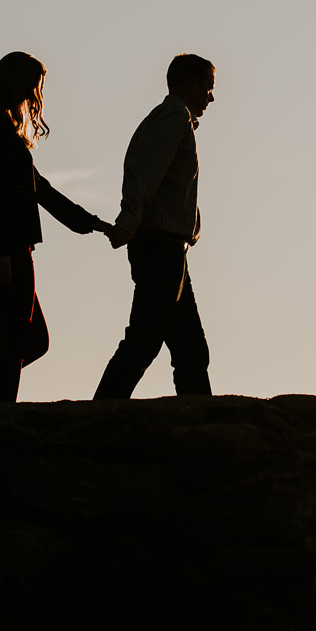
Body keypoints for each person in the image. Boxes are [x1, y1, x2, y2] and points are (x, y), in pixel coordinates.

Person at [0, 51, 111, 405]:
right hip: (5, 248)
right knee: (19, 342)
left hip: (12, 247)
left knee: (30, 342)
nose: (37, 91)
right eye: (35, 83)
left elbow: (40, 189)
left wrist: (91, 224)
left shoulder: (3, 130)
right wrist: (0, 251)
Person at [92, 53, 216, 400]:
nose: (210, 97)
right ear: (191, 83)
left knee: (190, 348)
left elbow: (164, 184)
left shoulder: (172, 120)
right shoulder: (173, 119)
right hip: (160, 248)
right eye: (208, 87)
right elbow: (145, 178)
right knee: (145, 341)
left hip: (171, 248)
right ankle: (101, 410)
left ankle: (200, 419)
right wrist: (128, 223)